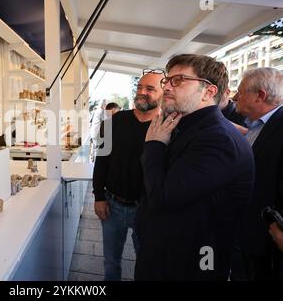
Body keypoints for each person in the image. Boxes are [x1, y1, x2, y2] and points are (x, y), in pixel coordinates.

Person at [135, 54, 255, 281]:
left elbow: (162, 198)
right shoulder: (190, 127)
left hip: (190, 263)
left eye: (178, 80)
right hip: (167, 253)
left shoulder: (217, 139)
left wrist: (153, 146)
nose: (168, 86)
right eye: (167, 80)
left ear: (208, 91)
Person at [92, 69, 165, 281]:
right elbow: (101, 160)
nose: (142, 92)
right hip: (112, 205)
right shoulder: (114, 122)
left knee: (146, 262)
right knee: (111, 261)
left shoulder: (167, 126)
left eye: (150, 88)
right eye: (139, 87)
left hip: (147, 209)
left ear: (163, 92)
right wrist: (98, 196)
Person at [235, 67, 283, 281]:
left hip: (266, 239)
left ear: (260, 95)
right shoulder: (256, 127)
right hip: (246, 233)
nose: (236, 96)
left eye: (242, 91)